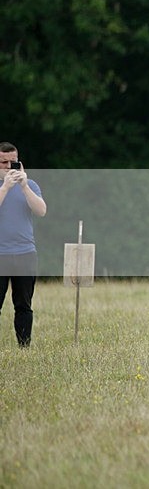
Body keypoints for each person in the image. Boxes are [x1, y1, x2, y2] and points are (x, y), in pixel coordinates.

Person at [0, 142, 47, 346]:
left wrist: (24, 186)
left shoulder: (31, 185)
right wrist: (5, 188)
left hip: (25, 253)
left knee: (24, 304)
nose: (9, 167)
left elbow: (41, 211)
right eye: (4, 162)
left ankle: (24, 345)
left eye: (13, 162)